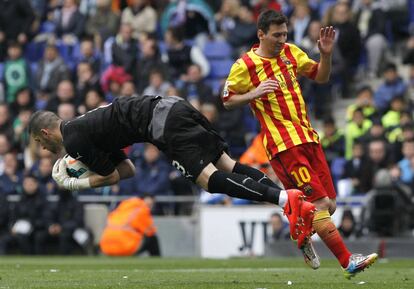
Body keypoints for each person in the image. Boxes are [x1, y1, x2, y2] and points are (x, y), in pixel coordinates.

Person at [28, 94, 316, 249]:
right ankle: (289, 202)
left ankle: (284, 201)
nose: (43, 150)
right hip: (173, 105)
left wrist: (75, 184)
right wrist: (91, 169)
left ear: (45, 132)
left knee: (209, 180)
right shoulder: (85, 129)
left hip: (161, 122)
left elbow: (111, 178)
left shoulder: (74, 140)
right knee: (227, 165)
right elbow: (126, 169)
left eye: (40, 142)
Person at [222, 9, 377, 278]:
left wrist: (326, 55)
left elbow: (320, 76)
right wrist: (254, 92)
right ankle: (347, 261)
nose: (282, 39)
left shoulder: (292, 52)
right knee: (319, 204)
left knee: (329, 205)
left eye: (285, 33)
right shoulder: (245, 65)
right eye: (276, 35)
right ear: (261, 34)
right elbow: (226, 100)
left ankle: (301, 230)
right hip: (284, 144)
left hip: (308, 137)